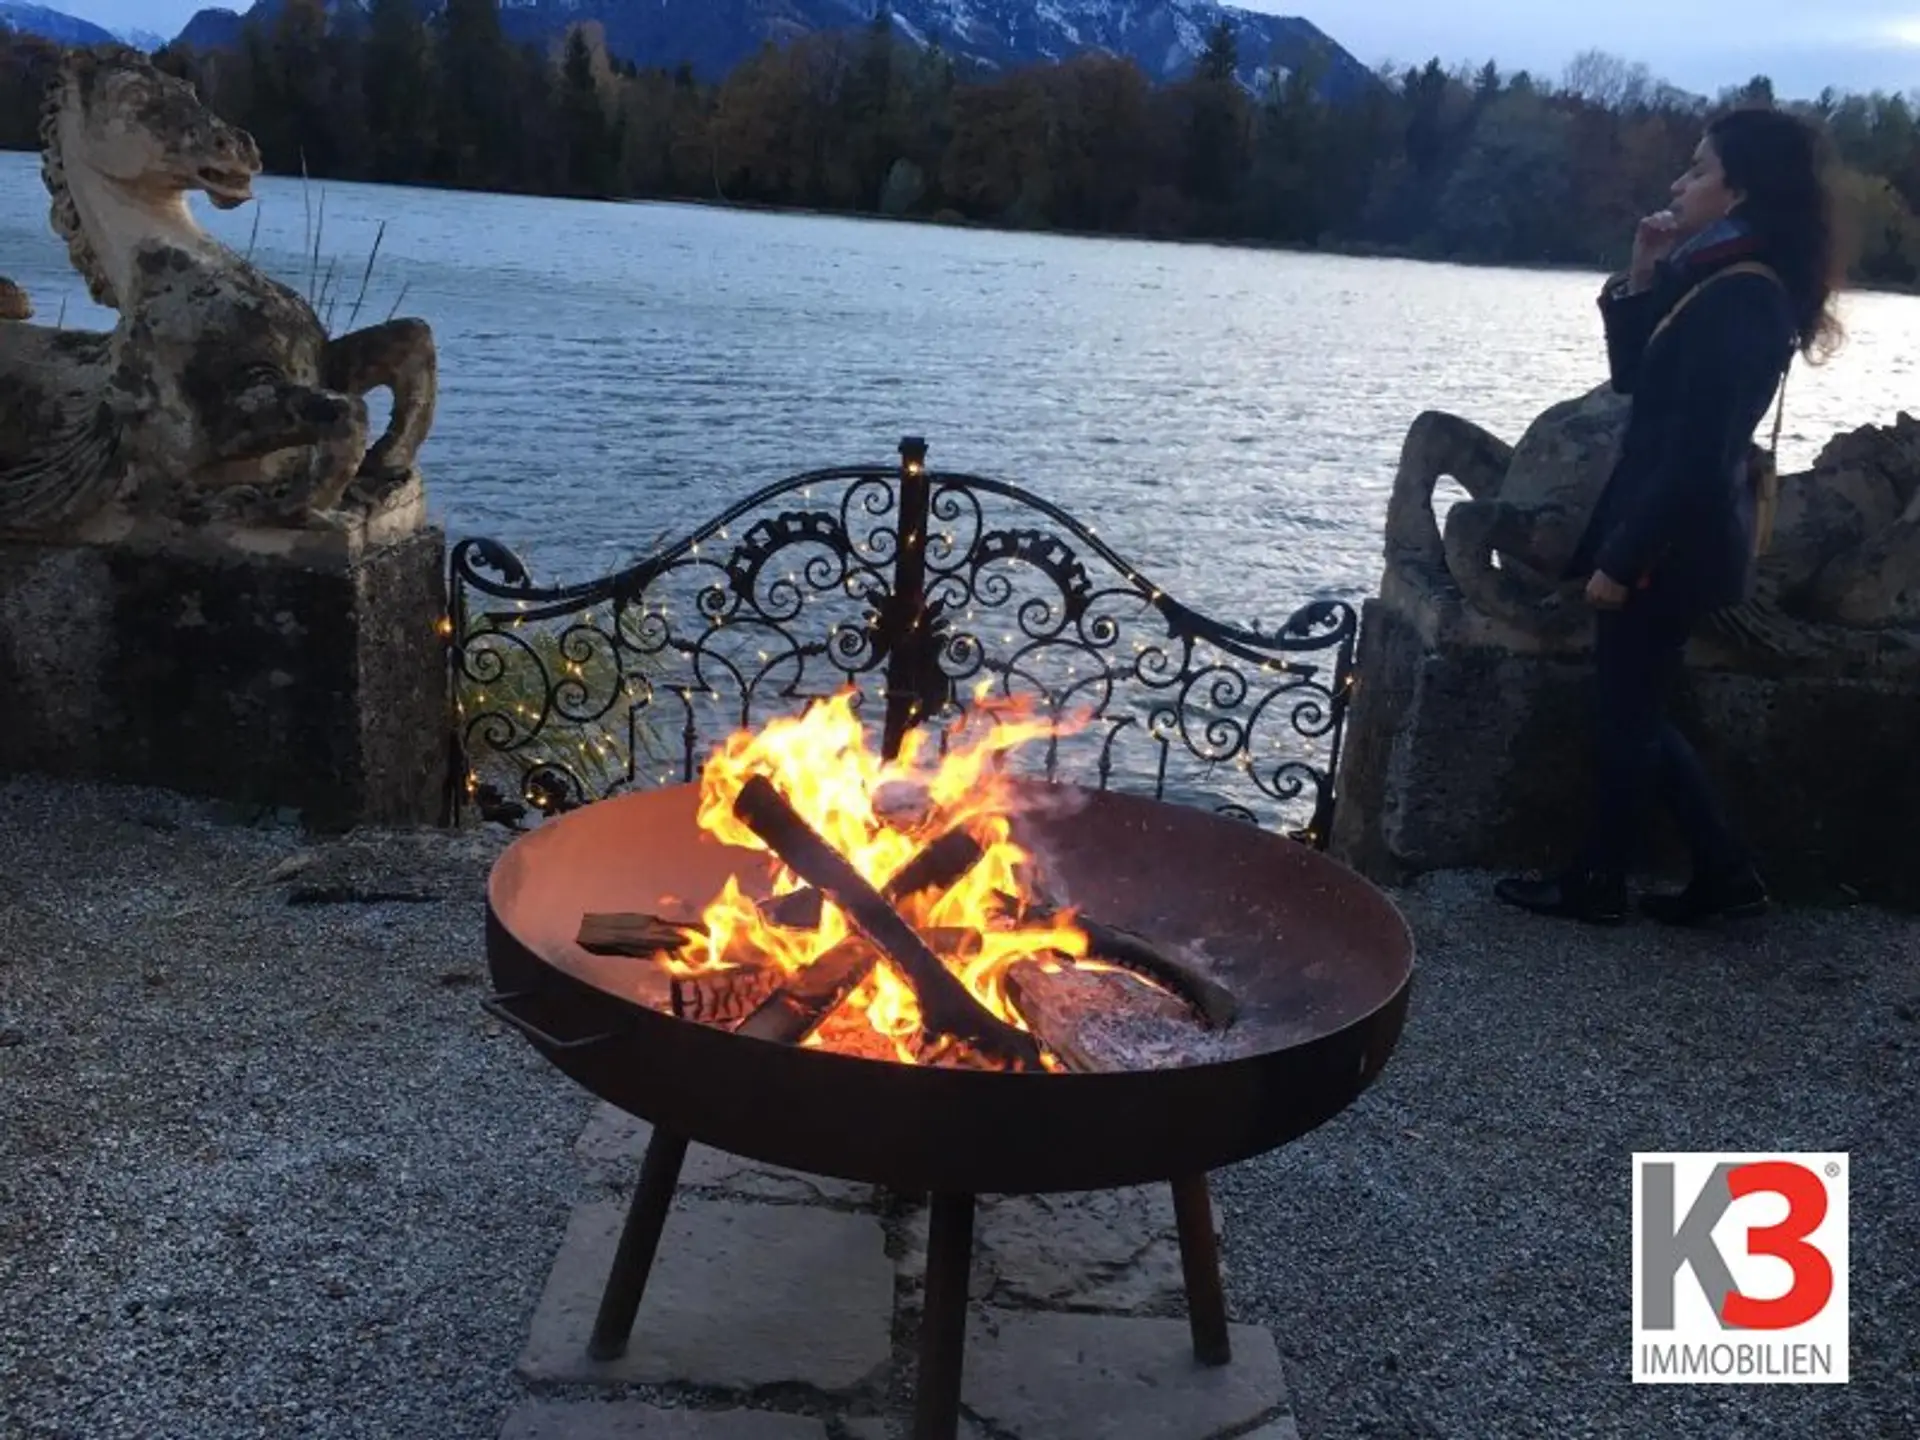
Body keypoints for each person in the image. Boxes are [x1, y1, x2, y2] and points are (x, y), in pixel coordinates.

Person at [1496, 106, 1844, 926]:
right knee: (1635, 711)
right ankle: (1721, 874)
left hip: (1670, 543)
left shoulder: (1743, 297)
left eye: (1697, 168)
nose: (1679, 183)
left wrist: (1623, 560)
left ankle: (1603, 882)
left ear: (1739, 189)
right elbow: (1635, 380)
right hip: (1677, 534)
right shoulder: (1720, 280)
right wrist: (1643, 271)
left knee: (1626, 716)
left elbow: (1696, 454)